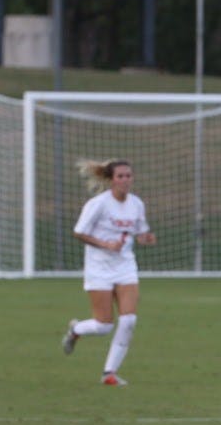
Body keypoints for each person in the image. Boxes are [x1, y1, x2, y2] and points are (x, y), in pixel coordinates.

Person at [61, 159, 156, 386]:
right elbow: (79, 232)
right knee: (104, 326)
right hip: (99, 268)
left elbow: (140, 231)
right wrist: (105, 245)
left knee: (129, 320)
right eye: (120, 176)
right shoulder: (98, 204)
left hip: (125, 267)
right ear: (111, 180)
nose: (125, 180)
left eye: (128, 176)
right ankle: (76, 330)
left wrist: (146, 238)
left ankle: (109, 373)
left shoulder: (136, 204)